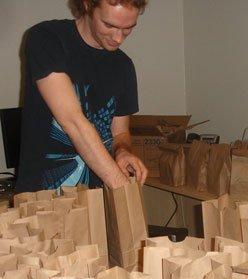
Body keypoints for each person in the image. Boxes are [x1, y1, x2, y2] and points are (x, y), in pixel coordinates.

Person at [15, 0, 148, 193]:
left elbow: (120, 133)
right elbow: (72, 121)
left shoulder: (124, 66)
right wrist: (123, 188)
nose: (118, 38)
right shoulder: (47, 38)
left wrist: (122, 152)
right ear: (87, 5)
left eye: (128, 28)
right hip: (41, 198)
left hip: (97, 197)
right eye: (109, 25)